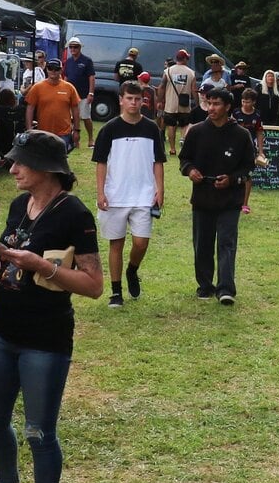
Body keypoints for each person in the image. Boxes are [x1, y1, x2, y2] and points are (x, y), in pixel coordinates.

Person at [0, 132, 102, 483]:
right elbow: (11, 256)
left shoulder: (74, 214)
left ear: (47, 167)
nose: (12, 169)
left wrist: (42, 265)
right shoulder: (19, 205)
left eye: (20, 162)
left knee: (39, 431)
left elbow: (94, 285)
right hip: (3, 330)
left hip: (45, 339)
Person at [178, 87, 255, 305]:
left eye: (217, 104)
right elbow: (185, 160)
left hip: (230, 200)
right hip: (202, 198)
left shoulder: (241, 135)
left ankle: (226, 288)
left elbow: (249, 168)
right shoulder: (197, 131)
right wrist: (190, 171)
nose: (211, 108)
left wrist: (231, 179)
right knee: (202, 243)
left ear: (228, 107)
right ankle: (204, 285)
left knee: (227, 243)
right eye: (209, 103)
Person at [91, 83, 165, 307]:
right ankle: (116, 292)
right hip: (116, 195)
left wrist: (160, 189)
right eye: (129, 98)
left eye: (138, 99)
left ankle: (132, 270)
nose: (134, 103)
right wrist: (101, 191)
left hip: (144, 193)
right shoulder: (109, 129)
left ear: (143, 101)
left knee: (141, 242)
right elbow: (101, 163)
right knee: (116, 244)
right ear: (121, 100)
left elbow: (158, 161)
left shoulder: (151, 128)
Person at [24, 58, 82, 150]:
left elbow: (75, 110)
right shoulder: (37, 87)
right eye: (50, 68)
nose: (53, 71)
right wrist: (29, 128)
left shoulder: (69, 88)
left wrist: (76, 130)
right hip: (43, 132)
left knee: (60, 162)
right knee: (43, 161)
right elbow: (30, 108)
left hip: (64, 134)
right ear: (46, 69)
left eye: (56, 69)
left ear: (61, 70)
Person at [235, 86, 267, 215]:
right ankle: (234, 201)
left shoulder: (257, 115)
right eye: (243, 101)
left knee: (248, 176)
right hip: (235, 148)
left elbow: (259, 133)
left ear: (253, 102)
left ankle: (245, 203)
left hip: (250, 149)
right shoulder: (236, 113)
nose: (245, 104)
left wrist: (261, 151)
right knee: (234, 175)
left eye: (248, 101)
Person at [160, 50, 198, 157]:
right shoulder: (191, 72)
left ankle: (172, 149)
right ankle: (183, 143)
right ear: (185, 59)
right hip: (185, 105)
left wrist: (160, 100)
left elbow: (162, 86)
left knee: (171, 126)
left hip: (170, 104)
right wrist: (197, 103)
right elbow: (194, 89)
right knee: (185, 125)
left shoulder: (168, 71)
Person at [62, 37, 97, 147]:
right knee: (71, 118)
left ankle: (91, 139)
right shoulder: (68, 62)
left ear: (80, 48)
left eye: (75, 47)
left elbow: (91, 77)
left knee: (86, 117)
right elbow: (66, 78)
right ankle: (74, 141)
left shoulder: (87, 60)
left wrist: (91, 93)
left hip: (83, 94)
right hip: (71, 95)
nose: (73, 49)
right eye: (71, 47)